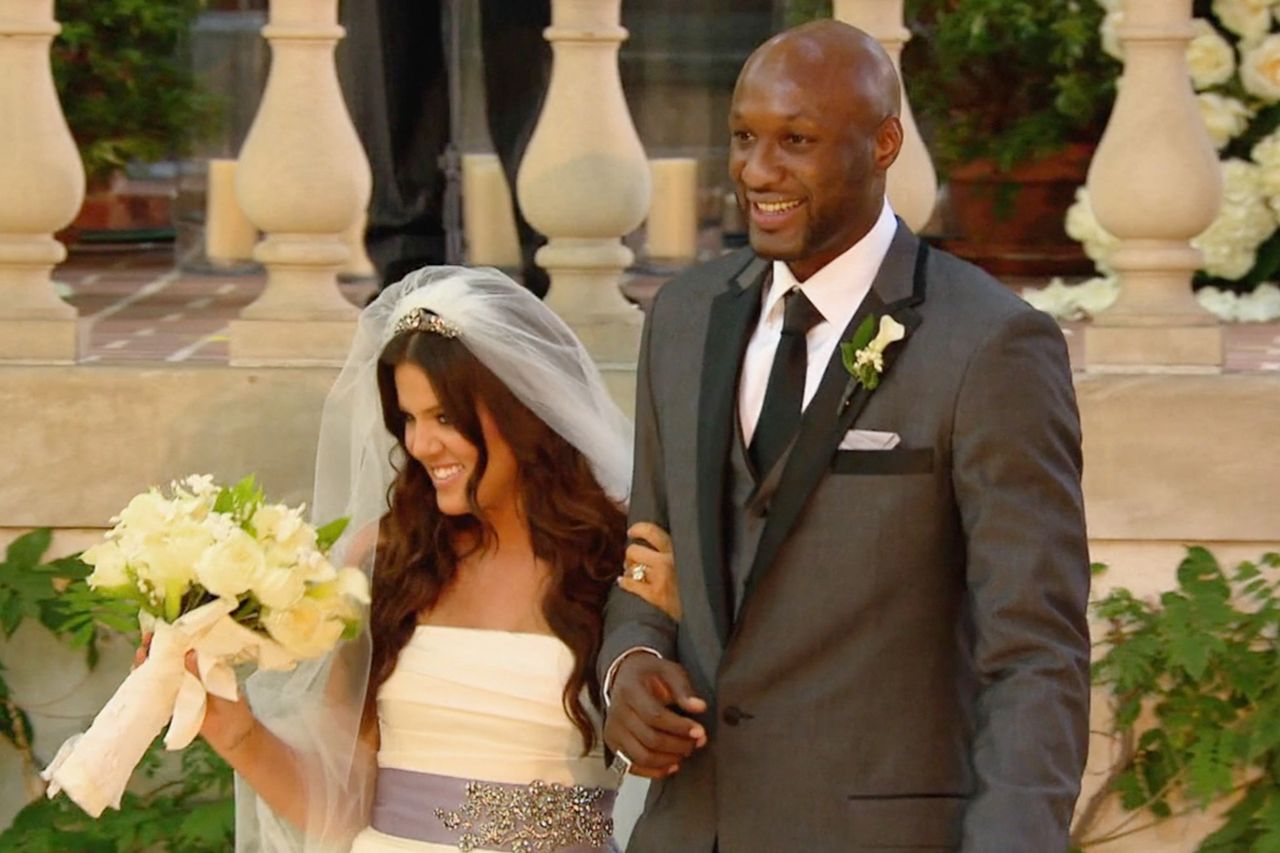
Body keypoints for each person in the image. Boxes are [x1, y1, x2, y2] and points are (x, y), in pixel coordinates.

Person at [599, 20, 1091, 853]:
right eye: (745, 137)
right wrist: (629, 667)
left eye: (796, 140)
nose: (758, 171)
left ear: (885, 142)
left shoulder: (991, 345)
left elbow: (1036, 653)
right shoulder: (682, 318)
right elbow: (650, 559)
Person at [179, 267, 668, 851]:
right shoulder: (387, 559)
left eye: (443, 418)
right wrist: (236, 733)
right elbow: (341, 799)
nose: (419, 445)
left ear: (521, 409)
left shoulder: (619, 555)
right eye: (408, 419)